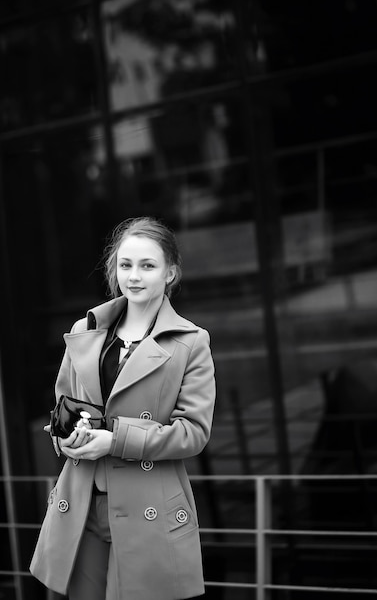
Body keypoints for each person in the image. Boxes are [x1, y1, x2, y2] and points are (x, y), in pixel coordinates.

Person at [30, 217, 216, 600]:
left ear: (171, 273)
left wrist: (114, 440)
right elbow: (62, 410)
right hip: (81, 505)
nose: (134, 275)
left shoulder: (192, 342)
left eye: (148, 265)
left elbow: (193, 433)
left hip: (148, 508)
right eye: (125, 264)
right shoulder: (86, 330)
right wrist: (68, 440)